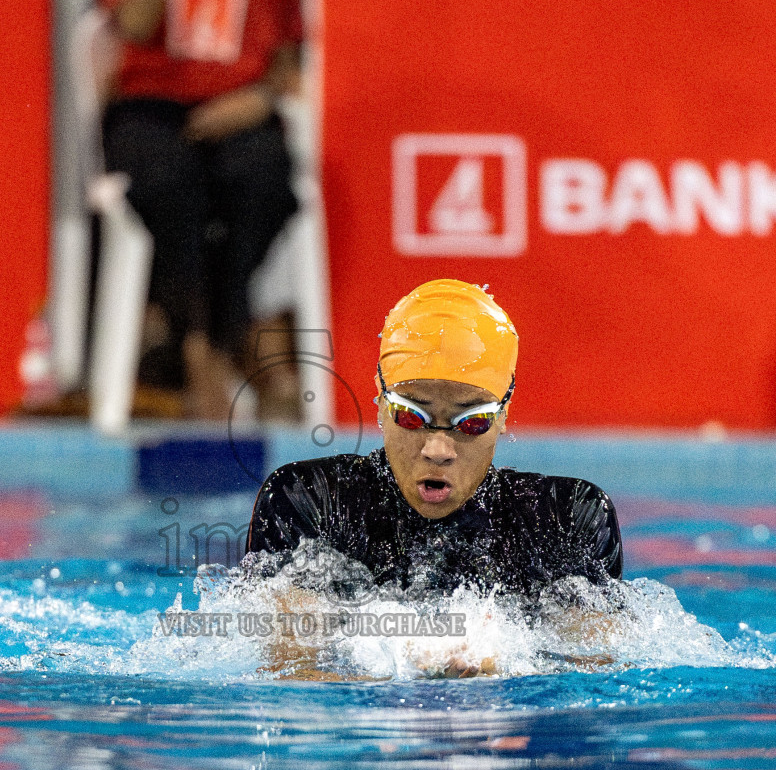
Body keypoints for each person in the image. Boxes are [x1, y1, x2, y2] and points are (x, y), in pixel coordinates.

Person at [244, 279, 624, 676]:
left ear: (503, 415)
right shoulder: (311, 500)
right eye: (412, 416)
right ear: (380, 398)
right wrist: (401, 678)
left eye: (472, 421)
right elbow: (288, 673)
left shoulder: (565, 517)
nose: (438, 449)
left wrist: (504, 673)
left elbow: (595, 676)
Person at [101, 0, 302, 419]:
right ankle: (209, 344)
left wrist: (264, 98)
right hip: (151, 105)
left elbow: (296, 54)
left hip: (246, 102)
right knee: (166, 183)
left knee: (262, 180)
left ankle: (203, 340)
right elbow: (131, 25)